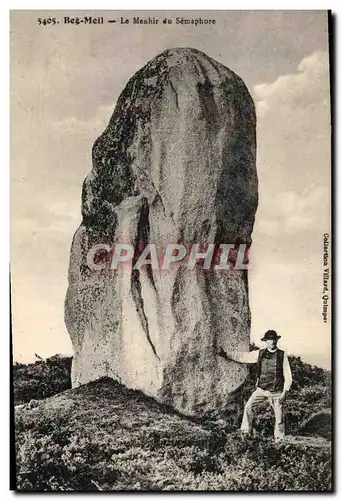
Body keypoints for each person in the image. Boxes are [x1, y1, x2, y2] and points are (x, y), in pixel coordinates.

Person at [217, 330, 292, 441]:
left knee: (279, 418)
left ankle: (279, 441)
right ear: (265, 341)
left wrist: (285, 391)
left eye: (273, 339)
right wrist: (226, 354)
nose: (272, 342)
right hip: (261, 389)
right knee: (248, 407)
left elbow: (287, 373)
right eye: (269, 339)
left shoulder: (282, 355)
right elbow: (244, 357)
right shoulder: (260, 353)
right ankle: (245, 434)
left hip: (277, 392)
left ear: (276, 340)